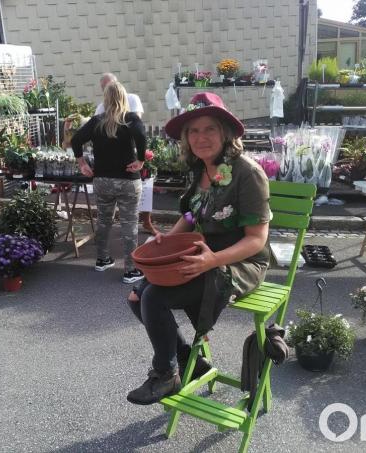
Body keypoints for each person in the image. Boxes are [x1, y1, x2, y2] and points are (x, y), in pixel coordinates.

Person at [125, 92, 272, 405]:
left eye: (209, 129)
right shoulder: (201, 170)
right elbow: (192, 215)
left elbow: (257, 240)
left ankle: (165, 374)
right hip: (201, 255)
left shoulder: (248, 174)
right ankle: (191, 361)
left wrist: (213, 261)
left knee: (154, 296)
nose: (201, 137)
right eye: (193, 131)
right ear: (186, 138)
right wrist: (167, 239)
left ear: (225, 133)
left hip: (239, 263)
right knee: (136, 296)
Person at [71, 81, 147, 284]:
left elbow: (76, 139)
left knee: (104, 220)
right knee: (129, 223)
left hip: (102, 180)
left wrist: (81, 162)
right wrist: (140, 159)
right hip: (127, 181)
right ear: (124, 97)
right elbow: (141, 135)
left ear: (105, 99)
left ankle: (102, 259)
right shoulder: (130, 119)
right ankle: (131, 270)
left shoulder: (96, 121)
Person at [93, 73, 156, 234]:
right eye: (104, 88)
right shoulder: (101, 107)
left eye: (110, 86)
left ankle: (146, 221)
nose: (108, 90)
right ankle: (111, 225)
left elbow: (136, 124)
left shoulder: (132, 99)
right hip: (113, 156)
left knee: (145, 185)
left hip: (134, 152)